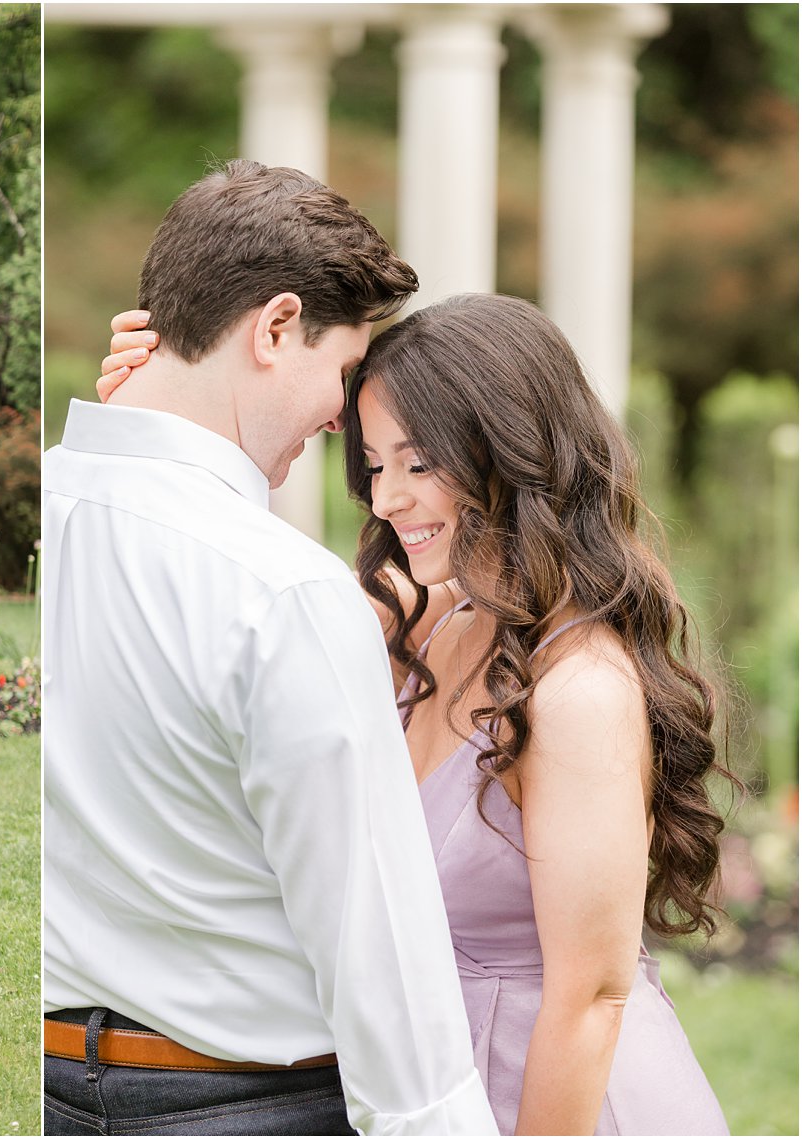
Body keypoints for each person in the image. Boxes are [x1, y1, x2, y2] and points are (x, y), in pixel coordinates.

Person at [99, 292, 734, 1134]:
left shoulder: (579, 690)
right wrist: (150, 422)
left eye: (419, 462)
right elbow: (222, 625)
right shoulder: (426, 616)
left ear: (511, 452)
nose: (388, 499)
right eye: (374, 465)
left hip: (559, 1101)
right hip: (425, 1091)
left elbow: (591, 1000)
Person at [43, 160, 498, 1136]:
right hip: (249, 1103)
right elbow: (372, 940)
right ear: (274, 325)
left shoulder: (43, 507)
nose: (339, 417)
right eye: (339, 372)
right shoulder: (279, 587)